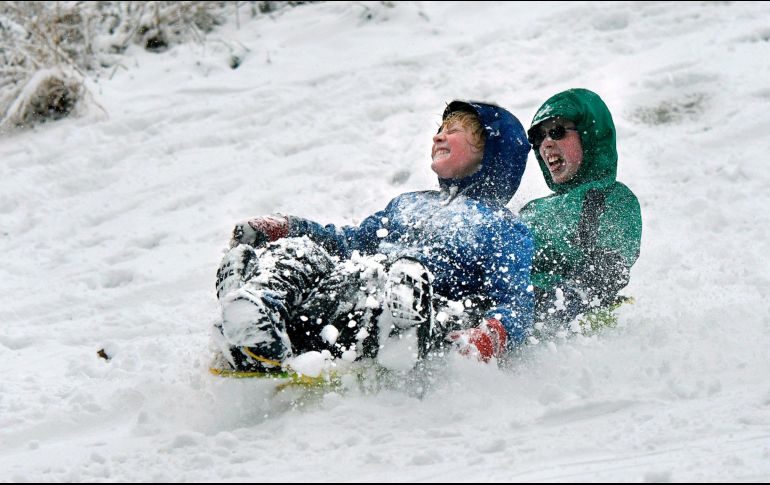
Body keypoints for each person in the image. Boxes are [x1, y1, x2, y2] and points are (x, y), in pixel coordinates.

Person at [212, 101, 534, 374]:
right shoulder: (409, 204)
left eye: (453, 131)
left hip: (420, 310)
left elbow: (516, 302)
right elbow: (351, 242)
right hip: (351, 292)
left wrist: (492, 334)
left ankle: (400, 339)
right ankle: (254, 319)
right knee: (303, 254)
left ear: (491, 151)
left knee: (404, 276)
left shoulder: (501, 227)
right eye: (439, 129)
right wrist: (290, 228)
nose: (438, 136)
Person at [520, 88, 642, 333]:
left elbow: (608, 269)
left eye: (557, 131)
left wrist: (559, 296)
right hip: (506, 307)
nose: (546, 143)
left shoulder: (611, 197)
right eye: (538, 138)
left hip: (563, 319)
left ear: (590, 136)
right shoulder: (532, 209)